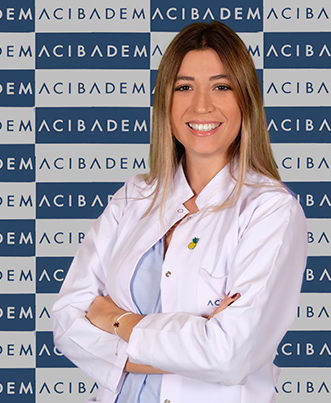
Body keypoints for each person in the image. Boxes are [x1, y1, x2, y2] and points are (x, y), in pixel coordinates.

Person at [52, 21, 308, 403]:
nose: (201, 105)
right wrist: (196, 342)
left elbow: (229, 357)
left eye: (222, 87)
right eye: (184, 87)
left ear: (246, 100)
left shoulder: (270, 210)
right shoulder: (133, 197)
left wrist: (117, 321)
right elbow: (67, 322)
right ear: (165, 102)